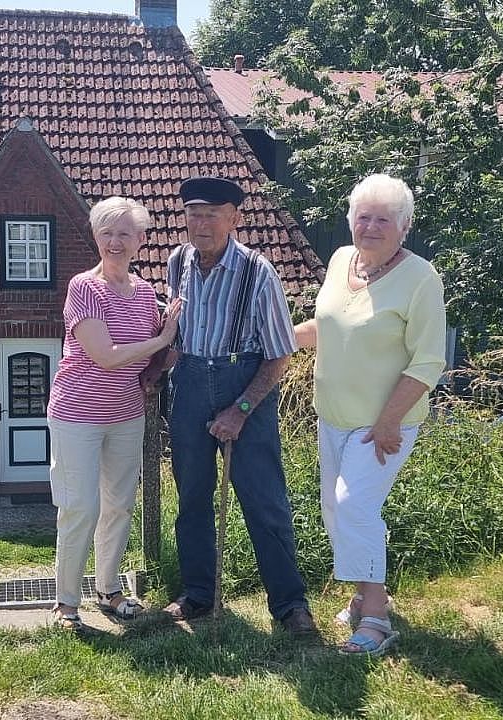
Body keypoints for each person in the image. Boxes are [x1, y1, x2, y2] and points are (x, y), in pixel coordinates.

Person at [294, 174, 446, 657]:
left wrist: (387, 421)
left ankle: (376, 618)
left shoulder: (421, 278)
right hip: (332, 416)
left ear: (404, 226)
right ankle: (362, 596)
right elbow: (330, 325)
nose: (372, 226)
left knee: (355, 506)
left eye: (385, 219)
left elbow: (428, 361)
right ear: (351, 221)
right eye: (364, 217)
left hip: (384, 423)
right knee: (337, 511)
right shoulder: (341, 261)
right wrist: (274, 338)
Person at [164, 176, 316, 634]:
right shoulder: (177, 263)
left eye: (212, 214)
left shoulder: (258, 270)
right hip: (189, 383)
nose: (201, 223)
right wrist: (158, 370)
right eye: (193, 213)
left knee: (263, 499)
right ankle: (197, 593)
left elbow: (280, 353)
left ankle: (290, 605)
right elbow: (179, 335)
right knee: (191, 497)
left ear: (235, 219)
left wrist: (241, 409)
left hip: (244, 381)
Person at [47, 196, 182, 631]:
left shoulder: (145, 294)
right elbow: (105, 356)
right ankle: (66, 603)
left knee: (119, 506)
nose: (115, 241)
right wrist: (162, 341)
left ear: (141, 240)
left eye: (125, 233)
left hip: (126, 414)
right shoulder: (83, 288)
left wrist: (164, 357)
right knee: (80, 506)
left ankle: (108, 590)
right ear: (95, 236)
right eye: (107, 232)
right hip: (76, 415)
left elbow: (151, 358)